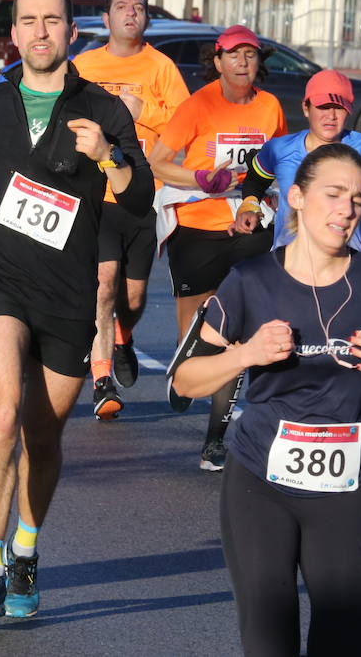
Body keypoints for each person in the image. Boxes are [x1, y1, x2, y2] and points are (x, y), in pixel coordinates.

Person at [0, 0, 152, 619]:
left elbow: (139, 196)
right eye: (27, 21)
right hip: (0, 279)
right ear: (14, 34)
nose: (39, 31)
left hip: (69, 292)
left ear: (71, 32)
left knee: (43, 431)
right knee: (3, 415)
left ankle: (26, 552)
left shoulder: (102, 109)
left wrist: (109, 155)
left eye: (51, 20)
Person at [170, 142, 361, 657]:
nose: (346, 209)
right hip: (259, 486)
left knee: (346, 644)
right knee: (270, 643)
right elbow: (185, 380)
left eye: (357, 198)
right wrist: (245, 355)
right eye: (333, 194)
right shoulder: (251, 280)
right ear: (297, 199)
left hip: (345, 488)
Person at [148, 25, 287, 471]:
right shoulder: (198, 104)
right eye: (234, 55)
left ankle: (215, 441)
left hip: (250, 228)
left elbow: (280, 161)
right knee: (196, 336)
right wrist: (202, 178)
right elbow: (159, 162)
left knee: (240, 334)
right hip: (196, 225)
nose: (243, 62)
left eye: (250, 54)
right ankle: (187, 371)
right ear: (218, 61)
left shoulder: (270, 107)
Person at [72, 0, 189, 418]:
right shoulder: (84, 65)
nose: (130, 13)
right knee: (103, 287)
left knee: (133, 297)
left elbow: (184, 125)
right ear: (106, 19)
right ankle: (102, 381)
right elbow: (64, 117)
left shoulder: (161, 67)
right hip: (96, 195)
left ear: (146, 19)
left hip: (143, 195)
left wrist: (142, 113)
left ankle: (123, 335)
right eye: (121, 7)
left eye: (138, 8)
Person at [238, 69, 361, 253]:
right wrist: (250, 205)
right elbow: (255, 180)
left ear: (349, 110)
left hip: (344, 268)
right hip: (288, 267)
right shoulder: (280, 148)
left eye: (338, 107)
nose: (331, 115)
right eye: (323, 106)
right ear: (306, 108)